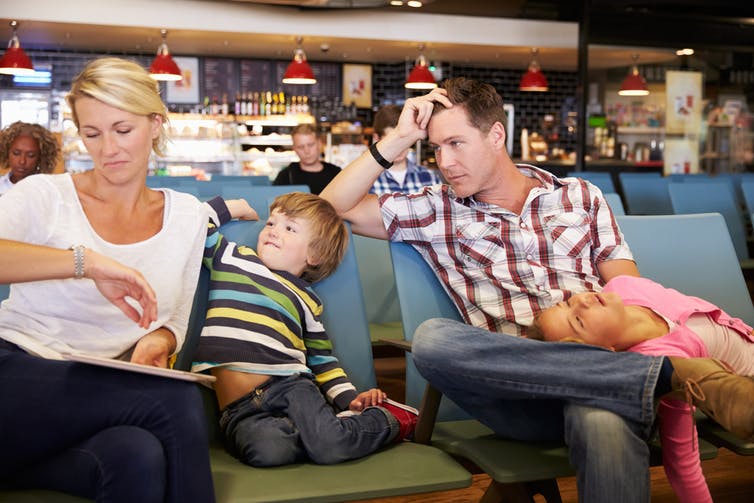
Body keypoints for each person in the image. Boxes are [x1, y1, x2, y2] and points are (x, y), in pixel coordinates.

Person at [320, 77, 754, 502]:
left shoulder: (580, 196)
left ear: (496, 135)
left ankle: (644, 377)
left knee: (601, 416)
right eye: (435, 148)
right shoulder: (436, 208)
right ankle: (667, 376)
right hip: (520, 394)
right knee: (434, 340)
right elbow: (329, 208)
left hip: (605, 375)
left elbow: (630, 294)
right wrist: (398, 138)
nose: (445, 162)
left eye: (456, 143)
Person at [0, 57, 215, 503]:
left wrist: (159, 340)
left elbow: (174, 317)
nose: (108, 148)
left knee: (135, 456)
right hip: (14, 372)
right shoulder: (45, 195)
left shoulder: (188, 216)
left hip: (85, 402)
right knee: (174, 401)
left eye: (122, 129)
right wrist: (86, 263)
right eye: (93, 134)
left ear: (155, 124)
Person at [192, 192, 418, 467]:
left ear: (315, 254)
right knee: (269, 453)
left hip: (290, 387)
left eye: (290, 228)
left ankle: (388, 420)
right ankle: (323, 430)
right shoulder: (231, 257)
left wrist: (350, 401)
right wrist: (234, 207)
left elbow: (323, 362)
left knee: (330, 448)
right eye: (271, 223)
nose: (274, 230)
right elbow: (192, 224)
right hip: (239, 408)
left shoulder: (307, 301)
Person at [529, 274, 754, 503]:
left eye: (567, 302)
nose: (582, 301)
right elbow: (682, 462)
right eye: (579, 321)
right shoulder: (658, 367)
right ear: (604, 352)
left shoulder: (624, 284)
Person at [368, 104, 442, 196]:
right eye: (391, 141)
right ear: (377, 138)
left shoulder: (430, 178)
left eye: (404, 138)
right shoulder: (366, 182)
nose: (399, 147)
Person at [273, 123, 341, 194]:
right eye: (301, 147)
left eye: (311, 145)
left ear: (320, 144)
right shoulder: (286, 177)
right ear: (294, 149)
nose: (307, 151)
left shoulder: (336, 173)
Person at [0, 121, 61, 195]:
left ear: (41, 158)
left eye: (30, 155)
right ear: (7, 152)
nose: (22, 161)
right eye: (16, 153)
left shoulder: (49, 191)